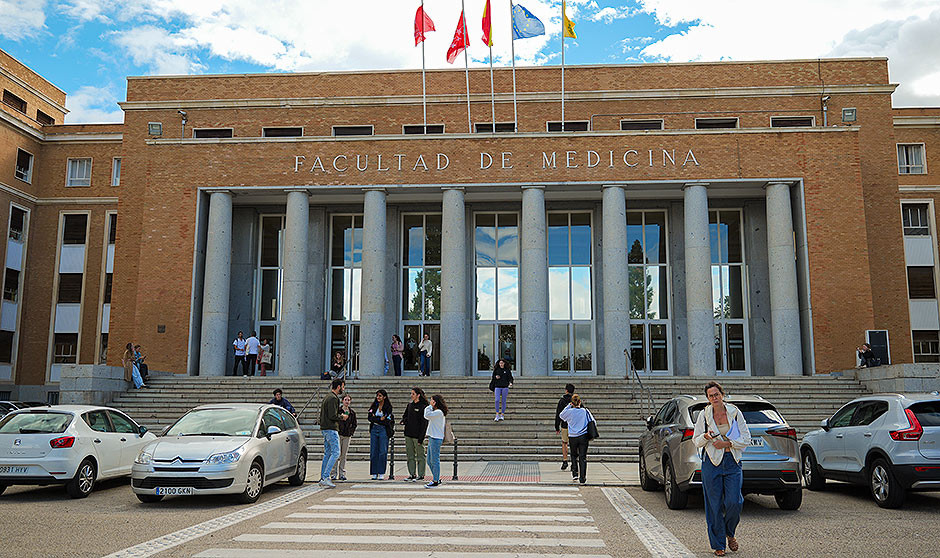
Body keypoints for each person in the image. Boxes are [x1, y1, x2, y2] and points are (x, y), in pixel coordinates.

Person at [692, 381, 751, 557]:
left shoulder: (734, 412)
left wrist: (727, 444)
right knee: (714, 505)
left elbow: (746, 439)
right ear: (708, 398)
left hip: (732, 461)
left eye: (716, 394)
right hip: (711, 462)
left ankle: (729, 532)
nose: (714, 398)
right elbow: (696, 441)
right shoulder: (704, 415)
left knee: (735, 502)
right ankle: (719, 544)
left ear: (722, 395)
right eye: (711, 396)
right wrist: (705, 436)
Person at [318, 378, 348, 488]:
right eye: (342, 387)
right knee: (336, 453)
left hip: (326, 428)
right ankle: (326, 477)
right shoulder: (333, 398)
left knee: (328, 453)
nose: (343, 389)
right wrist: (342, 417)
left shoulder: (328, 397)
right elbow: (332, 415)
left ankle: (323, 477)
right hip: (331, 428)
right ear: (339, 386)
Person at [559, 394, 595, 484]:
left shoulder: (570, 412)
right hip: (583, 436)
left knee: (574, 455)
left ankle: (575, 473)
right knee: (583, 457)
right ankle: (582, 477)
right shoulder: (584, 411)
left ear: (572, 403)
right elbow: (593, 421)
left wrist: (569, 406)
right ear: (580, 402)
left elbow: (561, 415)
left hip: (573, 436)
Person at [400, 387, 429, 482]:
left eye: (413, 394)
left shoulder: (423, 407)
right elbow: (405, 416)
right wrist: (404, 421)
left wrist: (421, 438)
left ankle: (421, 475)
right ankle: (412, 474)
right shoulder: (410, 405)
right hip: (408, 434)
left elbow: (424, 424)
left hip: (418, 435)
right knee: (410, 455)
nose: (411, 395)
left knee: (420, 456)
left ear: (418, 395)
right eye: (411, 393)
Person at [367, 389, 394, 480]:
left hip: (383, 430)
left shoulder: (388, 407)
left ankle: (381, 472)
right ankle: (374, 472)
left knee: (383, 451)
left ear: (384, 397)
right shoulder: (374, 405)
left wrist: (377, 418)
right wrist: (379, 419)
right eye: (377, 396)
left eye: (380, 396)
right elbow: (370, 417)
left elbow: (387, 420)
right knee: (374, 451)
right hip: (374, 429)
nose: (378, 397)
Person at [423, 394, 448, 488]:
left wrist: (430, 406)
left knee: (434, 460)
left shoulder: (438, 412)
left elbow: (426, 415)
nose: (430, 402)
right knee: (429, 460)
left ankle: (435, 480)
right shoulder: (436, 412)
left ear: (435, 402)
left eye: (431, 400)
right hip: (432, 437)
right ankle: (436, 477)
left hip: (436, 438)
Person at [333, 394, 357, 481]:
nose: (347, 401)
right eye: (345, 400)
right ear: (342, 401)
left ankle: (342, 473)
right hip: (339, 434)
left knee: (343, 455)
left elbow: (354, 424)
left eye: (348, 400)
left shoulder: (352, 413)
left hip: (347, 435)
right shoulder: (338, 411)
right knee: (336, 454)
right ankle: (333, 473)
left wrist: (351, 432)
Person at [555, 383, 575, 470]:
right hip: (574, 426)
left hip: (564, 425)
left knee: (564, 443)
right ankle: (574, 462)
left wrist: (557, 426)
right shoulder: (575, 400)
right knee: (574, 444)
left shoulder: (562, 401)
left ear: (566, 390)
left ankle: (565, 460)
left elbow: (558, 414)